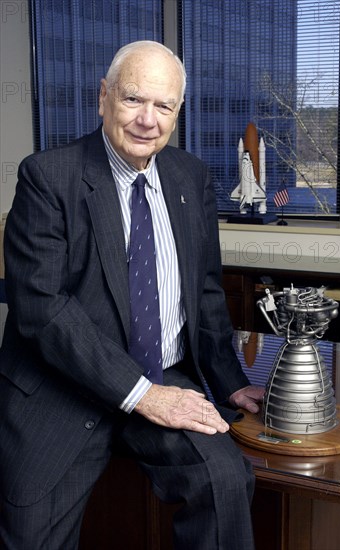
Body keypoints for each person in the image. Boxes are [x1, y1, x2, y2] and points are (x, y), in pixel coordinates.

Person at [0, 40, 264, 549]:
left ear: (177, 112)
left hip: (164, 375)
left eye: (163, 106)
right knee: (31, 535)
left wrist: (229, 382)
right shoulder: (47, 177)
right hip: (61, 385)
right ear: (102, 98)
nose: (148, 119)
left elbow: (206, 292)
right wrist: (145, 396)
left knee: (226, 480)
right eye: (133, 100)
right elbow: (43, 311)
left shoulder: (192, 177)